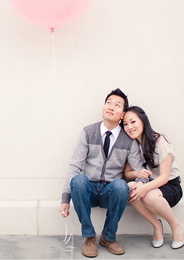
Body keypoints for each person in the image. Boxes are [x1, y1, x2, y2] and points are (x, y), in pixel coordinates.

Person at [59, 88, 149, 258]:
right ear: (103, 107)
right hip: (89, 190)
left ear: (122, 114)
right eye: (109, 102)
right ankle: (89, 237)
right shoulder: (88, 132)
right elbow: (75, 166)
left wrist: (140, 184)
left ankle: (108, 237)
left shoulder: (128, 140)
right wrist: (65, 198)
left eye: (117, 105)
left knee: (121, 186)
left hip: (111, 192)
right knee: (78, 180)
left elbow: (141, 171)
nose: (111, 107)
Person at [122, 106, 184, 249]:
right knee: (130, 188)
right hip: (150, 185)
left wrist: (143, 188)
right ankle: (157, 225)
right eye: (125, 124)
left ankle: (176, 225)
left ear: (143, 121)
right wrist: (138, 174)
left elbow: (164, 177)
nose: (129, 127)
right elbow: (128, 173)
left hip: (170, 186)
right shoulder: (133, 145)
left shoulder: (160, 141)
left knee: (148, 195)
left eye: (133, 122)